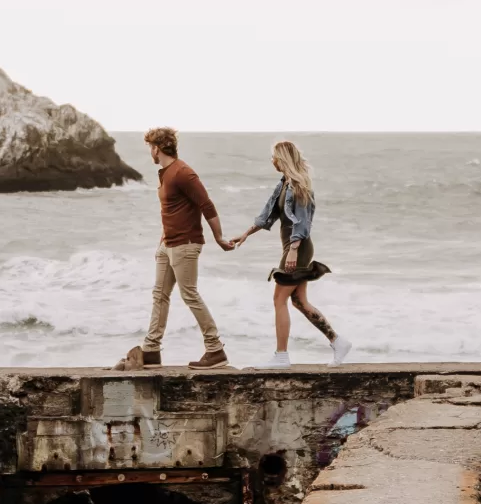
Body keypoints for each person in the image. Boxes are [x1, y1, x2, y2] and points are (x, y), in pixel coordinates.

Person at [228, 139, 351, 366]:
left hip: (299, 247)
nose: (272, 160)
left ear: (282, 158)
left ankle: (281, 355)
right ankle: (338, 341)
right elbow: (267, 215)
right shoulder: (283, 184)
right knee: (299, 301)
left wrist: (293, 249)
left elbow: (303, 222)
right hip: (294, 247)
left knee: (279, 299)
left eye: (273, 156)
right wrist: (246, 234)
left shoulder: (298, 185)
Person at [120, 127, 232, 369]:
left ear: (157, 148)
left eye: (150, 147)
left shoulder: (183, 173)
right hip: (168, 244)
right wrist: (162, 239)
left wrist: (220, 238)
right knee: (159, 294)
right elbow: (172, 210)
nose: (149, 151)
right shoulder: (166, 173)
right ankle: (151, 350)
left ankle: (215, 350)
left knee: (189, 293)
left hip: (186, 244)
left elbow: (207, 205)